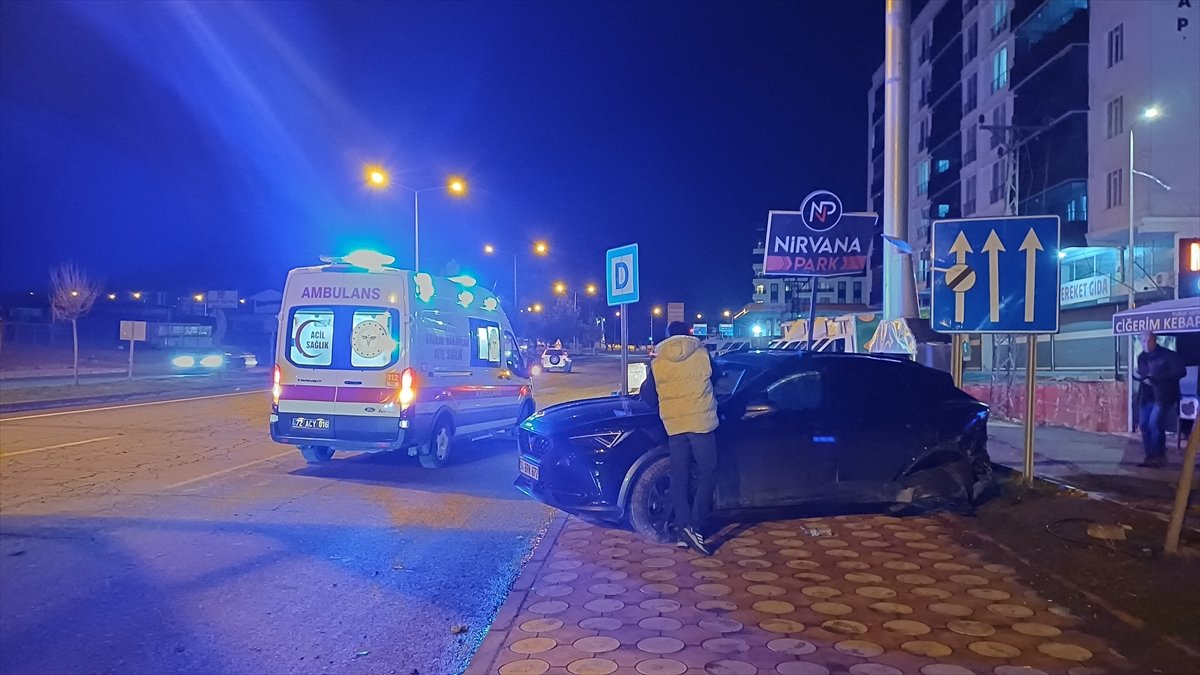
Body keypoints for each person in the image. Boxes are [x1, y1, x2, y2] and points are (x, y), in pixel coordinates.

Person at [639, 321, 719, 555]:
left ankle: (684, 527)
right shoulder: (702, 354)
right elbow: (718, 379)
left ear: (667, 336)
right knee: (708, 473)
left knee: (679, 476)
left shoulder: (658, 362)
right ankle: (694, 526)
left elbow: (649, 397)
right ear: (688, 333)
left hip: (675, 427)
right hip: (702, 425)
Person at [1135, 331, 1186, 467]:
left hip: (1163, 395)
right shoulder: (1141, 357)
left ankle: (1159, 455)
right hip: (1146, 395)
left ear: (1154, 340)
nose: (1145, 344)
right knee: (1144, 424)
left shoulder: (1168, 355)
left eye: (1148, 341)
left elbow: (1181, 372)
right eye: (1143, 341)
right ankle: (1150, 455)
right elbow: (1142, 372)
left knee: (1155, 423)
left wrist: (1158, 379)